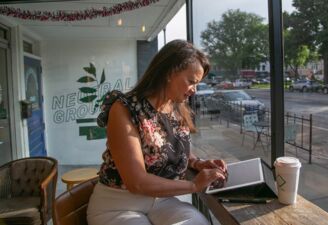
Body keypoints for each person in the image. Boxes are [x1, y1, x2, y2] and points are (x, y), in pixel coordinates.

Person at [87, 39, 228, 225]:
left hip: (161, 201)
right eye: (191, 82)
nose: (194, 90)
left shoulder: (175, 106)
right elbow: (136, 182)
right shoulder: (124, 108)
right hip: (118, 204)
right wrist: (194, 185)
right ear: (170, 72)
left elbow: (171, 145)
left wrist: (197, 163)